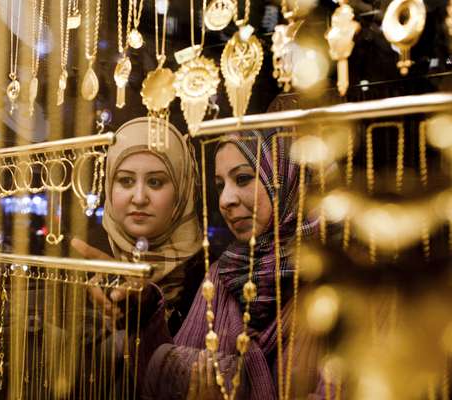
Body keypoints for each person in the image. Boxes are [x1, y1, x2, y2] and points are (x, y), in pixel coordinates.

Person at [136, 129, 321, 399]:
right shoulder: (225, 274)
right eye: (220, 185)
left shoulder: (333, 280)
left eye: (243, 178)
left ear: (286, 179)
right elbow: (170, 373)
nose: (225, 200)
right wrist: (143, 310)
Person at [72, 116, 206, 335]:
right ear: (109, 185)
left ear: (182, 190)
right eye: (126, 181)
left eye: (155, 182)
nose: (140, 198)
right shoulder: (86, 261)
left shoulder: (207, 273)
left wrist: (148, 307)